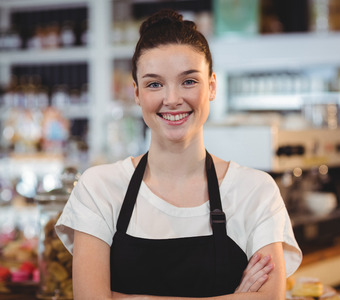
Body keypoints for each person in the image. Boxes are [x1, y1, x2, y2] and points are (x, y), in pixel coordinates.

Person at [55, 9, 301, 299]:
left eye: (189, 81)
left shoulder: (256, 191)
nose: (172, 100)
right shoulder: (99, 189)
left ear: (211, 86)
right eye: (154, 84)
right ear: (136, 93)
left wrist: (132, 297)